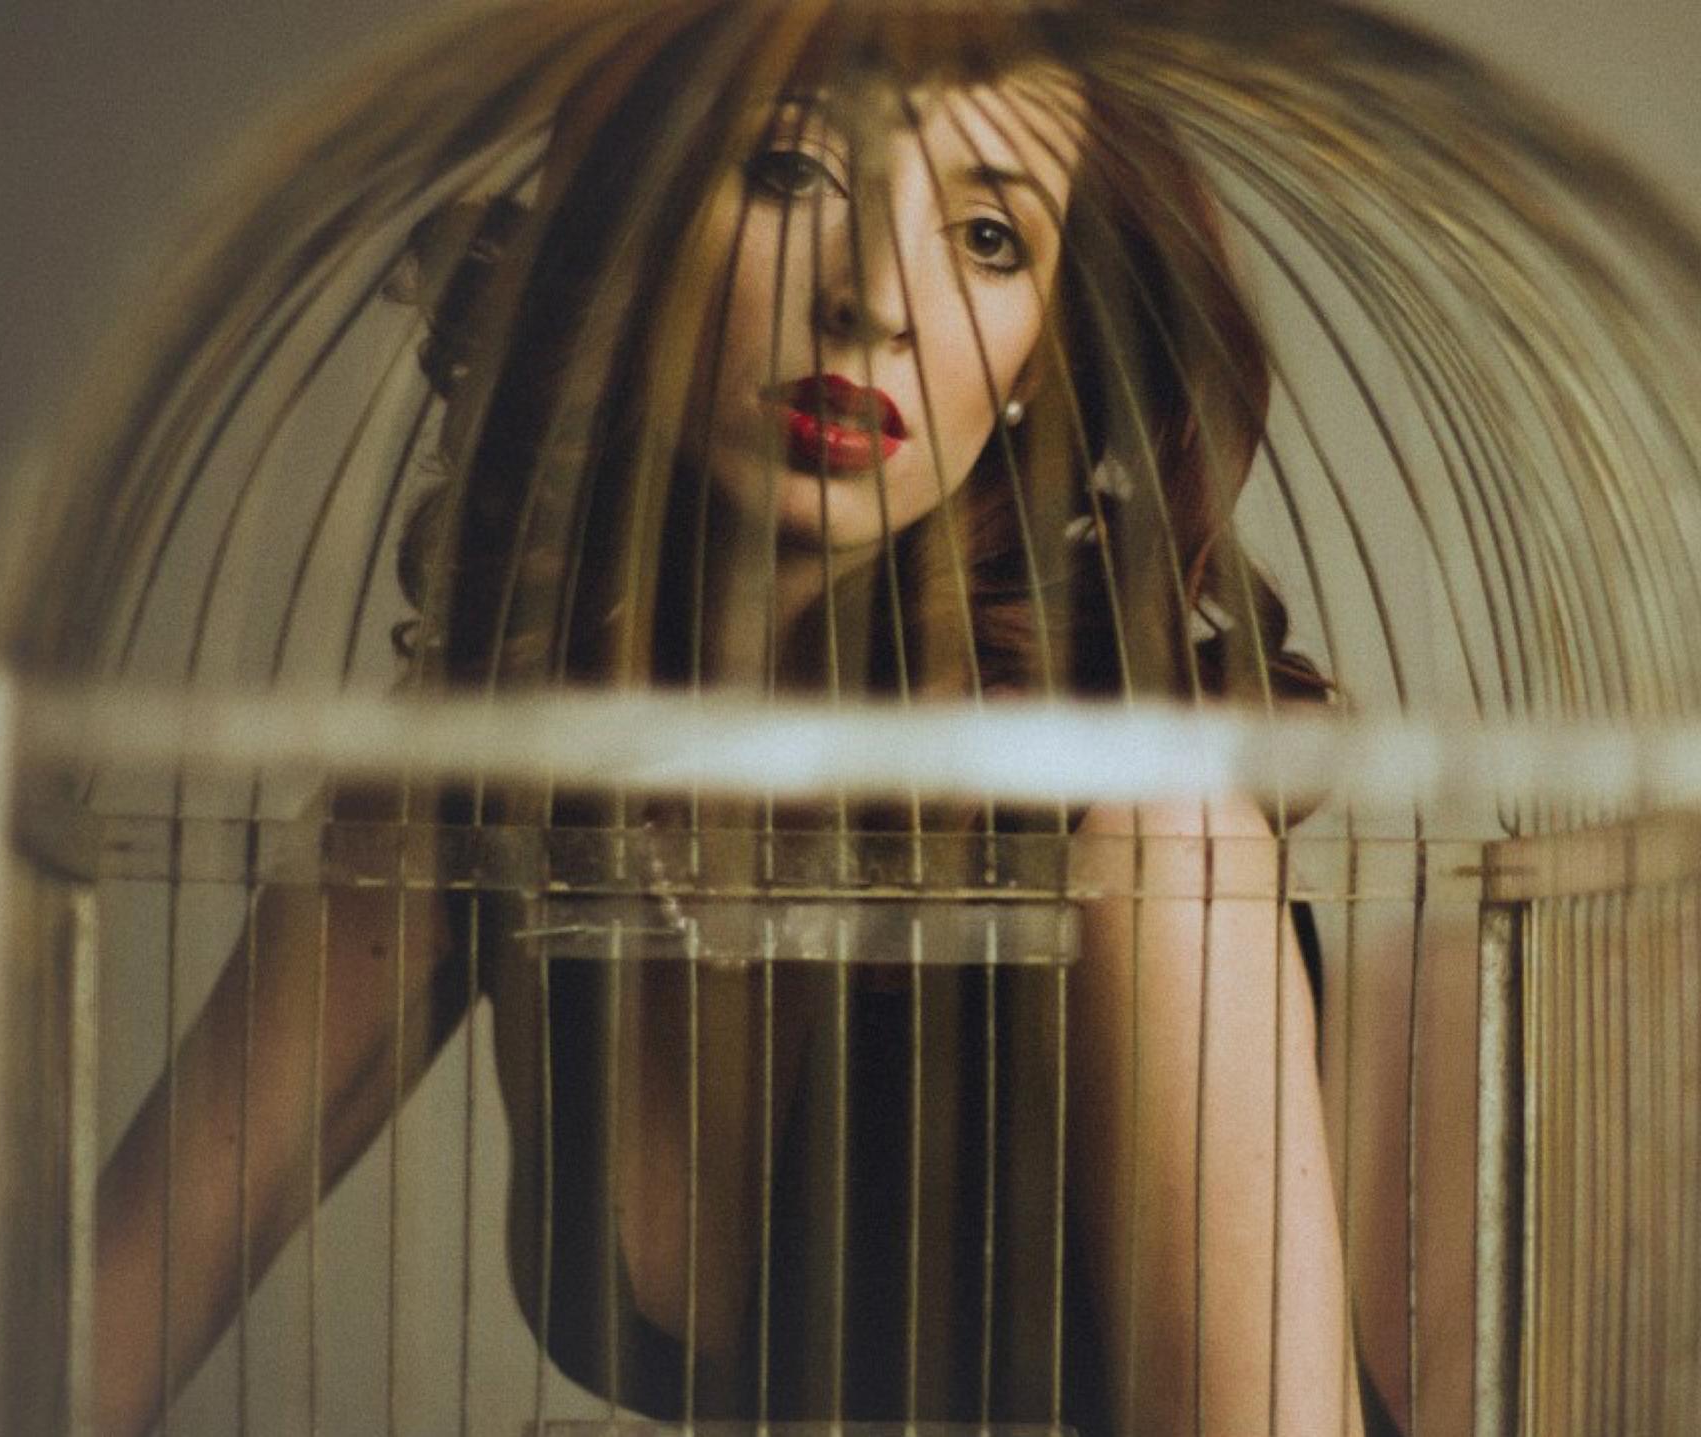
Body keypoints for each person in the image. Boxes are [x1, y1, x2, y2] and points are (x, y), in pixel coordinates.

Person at [90, 7, 1365, 1434]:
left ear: (1036, 369)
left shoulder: (1142, 834)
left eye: (988, 237)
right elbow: (92, 1333)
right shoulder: (480, 787)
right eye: (789, 172)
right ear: (630, 239)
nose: (875, 297)